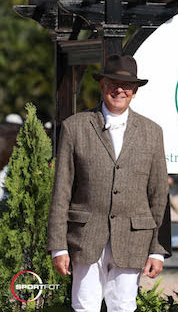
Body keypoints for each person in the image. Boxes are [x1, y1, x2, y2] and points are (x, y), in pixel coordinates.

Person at [47, 54, 171, 312]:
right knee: (83, 305)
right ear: (102, 85)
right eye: (112, 83)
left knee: (124, 307)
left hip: (133, 238)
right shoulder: (74, 127)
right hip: (85, 236)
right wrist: (58, 246)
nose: (119, 89)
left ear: (135, 91)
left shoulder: (152, 132)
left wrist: (157, 250)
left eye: (126, 85)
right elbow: (61, 192)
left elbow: (159, 194)